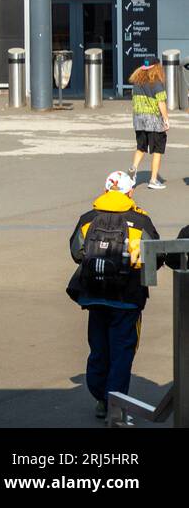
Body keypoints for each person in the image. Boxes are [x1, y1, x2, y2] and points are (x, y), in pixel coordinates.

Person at [66, 171, 163, 424]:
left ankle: (100, 396)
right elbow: (155, 254)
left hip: (94, 296)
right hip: (127, 298)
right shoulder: (141, 222)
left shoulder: (88, 218)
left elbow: (77, 252)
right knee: (122, 351)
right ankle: (115, 403)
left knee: (99, 348)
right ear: (130, 192)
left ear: (106, 190)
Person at [128, 60, 170, 190]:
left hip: (139, 120)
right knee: (157, 149)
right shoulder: (156, 83)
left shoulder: (137, 82)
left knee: (140, 147)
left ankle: (133, 170)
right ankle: (153, 179)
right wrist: (166, 119)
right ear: (156, 68)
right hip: (154, 122)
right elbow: (161, 102)